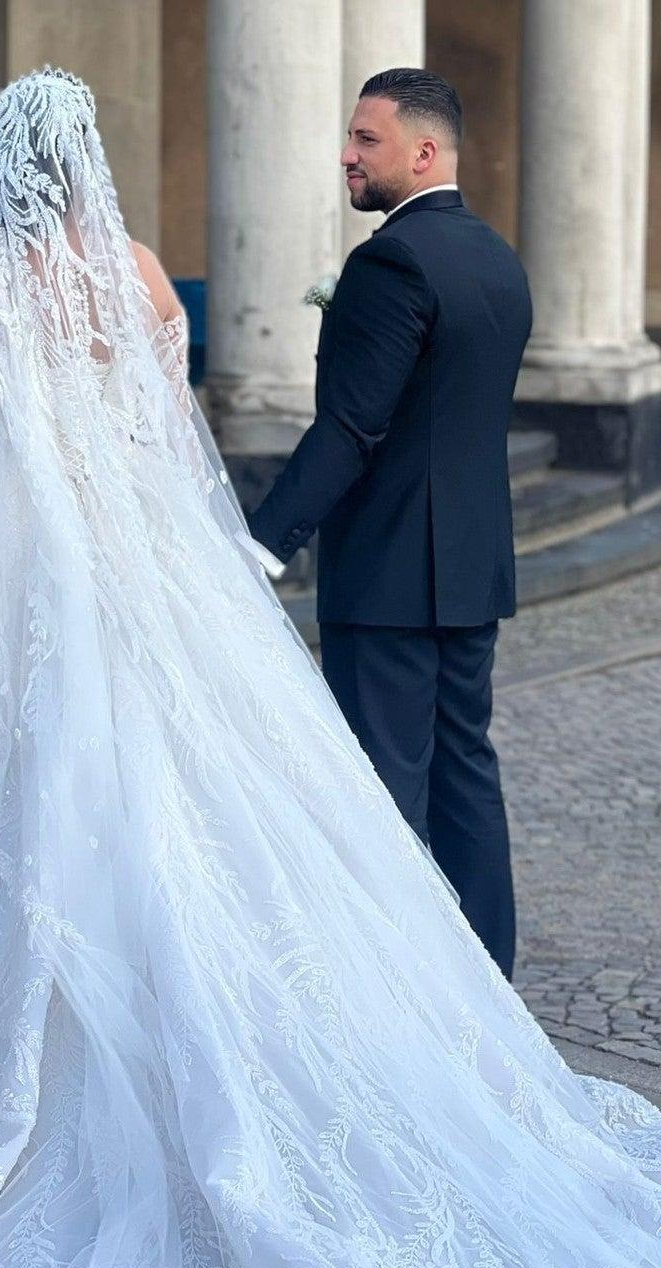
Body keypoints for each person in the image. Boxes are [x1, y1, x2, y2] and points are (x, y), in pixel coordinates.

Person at [0, 67, 660, 1268]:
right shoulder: (145, 276)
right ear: (85, 161)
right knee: (194, 822)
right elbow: (166, 446)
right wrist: (204, 570)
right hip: (139, 573)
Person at [249, 69, 530, 980]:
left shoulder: (390, 262)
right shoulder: (496, 257)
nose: (345, 154)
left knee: (380, 795)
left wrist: (260, 545)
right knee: (464, 779)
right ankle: (487, 985)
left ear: (423, 150)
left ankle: (396, 1000)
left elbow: (352, 428)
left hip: (388, 577)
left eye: (366, 140)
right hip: (470, 569)